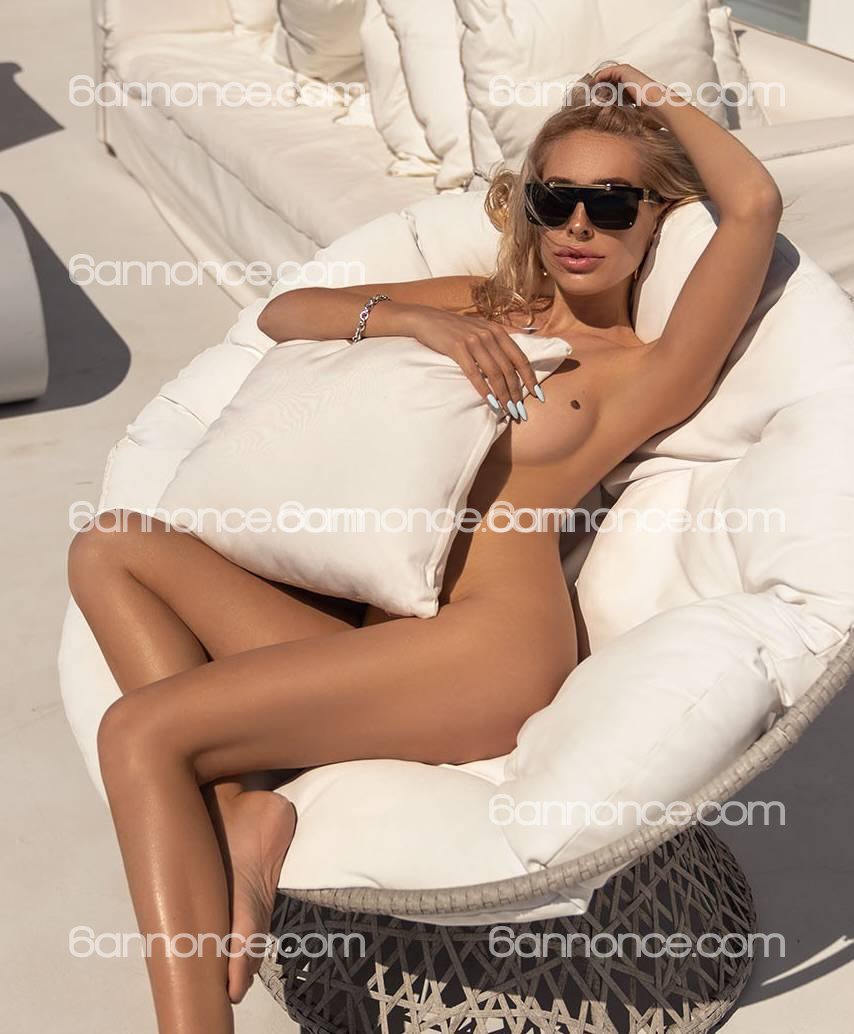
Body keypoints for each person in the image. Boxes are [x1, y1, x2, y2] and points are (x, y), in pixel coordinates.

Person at [67, 63, 782, 1033]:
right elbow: (285, 315)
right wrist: (410, 322)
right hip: (377, 631)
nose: (578, 226)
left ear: (651, 219)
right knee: (110, 545)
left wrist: (648, 93)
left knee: (141, 730)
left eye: (612, 203)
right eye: (555, 199)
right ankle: (238, 807)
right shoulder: (480, 304)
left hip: (483, 653)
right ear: (529, 208)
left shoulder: (639, 370)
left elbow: (752, 205)